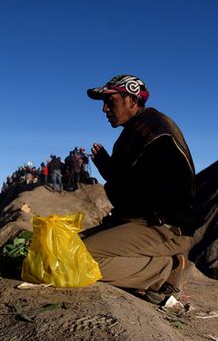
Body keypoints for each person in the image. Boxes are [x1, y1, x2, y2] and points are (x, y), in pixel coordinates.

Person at [81, 74, 201, 304]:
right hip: (139, 220)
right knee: (65, 246)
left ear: (132, 101)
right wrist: (109, 169)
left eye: (110, 101)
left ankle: (168, 270)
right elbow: (132, 187)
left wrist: (111, 175)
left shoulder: (156, 135)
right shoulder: (135, 131)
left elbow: (152, 196)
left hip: (164, 226)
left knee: (74, 257)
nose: (104, 109)